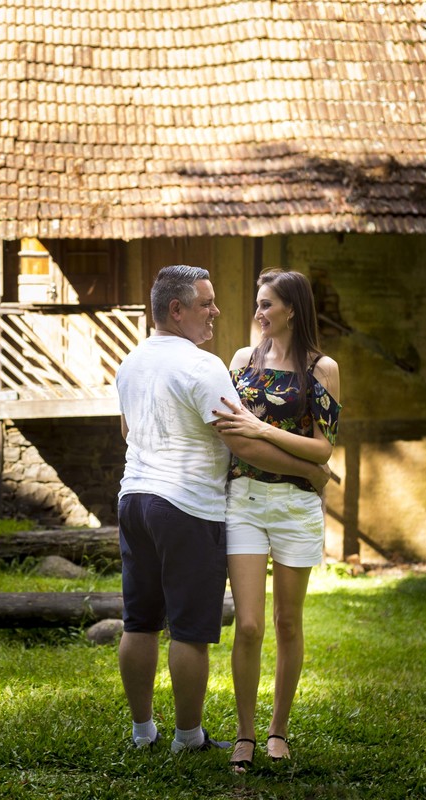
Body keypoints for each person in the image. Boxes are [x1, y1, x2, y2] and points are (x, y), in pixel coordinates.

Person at [115, 265, 327, 754]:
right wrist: (310, 472)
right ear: (177, 309)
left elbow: (127, 432)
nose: (216, 312)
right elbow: (244, 444)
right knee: (188, 629)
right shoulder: (203, 365)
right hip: (185, 507)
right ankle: (188, 737)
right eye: (206, 303)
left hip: (133, 498)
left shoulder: (132, 361)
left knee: (139, 622)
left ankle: (143, 731)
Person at [209, 269, 341, 771]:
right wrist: (308, 464)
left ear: (292, 309)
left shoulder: (322, 368)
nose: (258, 313)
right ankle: (244, 733)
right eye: (258, 304)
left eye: (267, 305)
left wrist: (261, 427)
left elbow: (325, 446)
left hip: (295, 507)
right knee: (247, 625)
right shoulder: (243, 361)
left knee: (288, 622)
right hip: (243, 498)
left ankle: (278, 730)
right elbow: (230, 429)